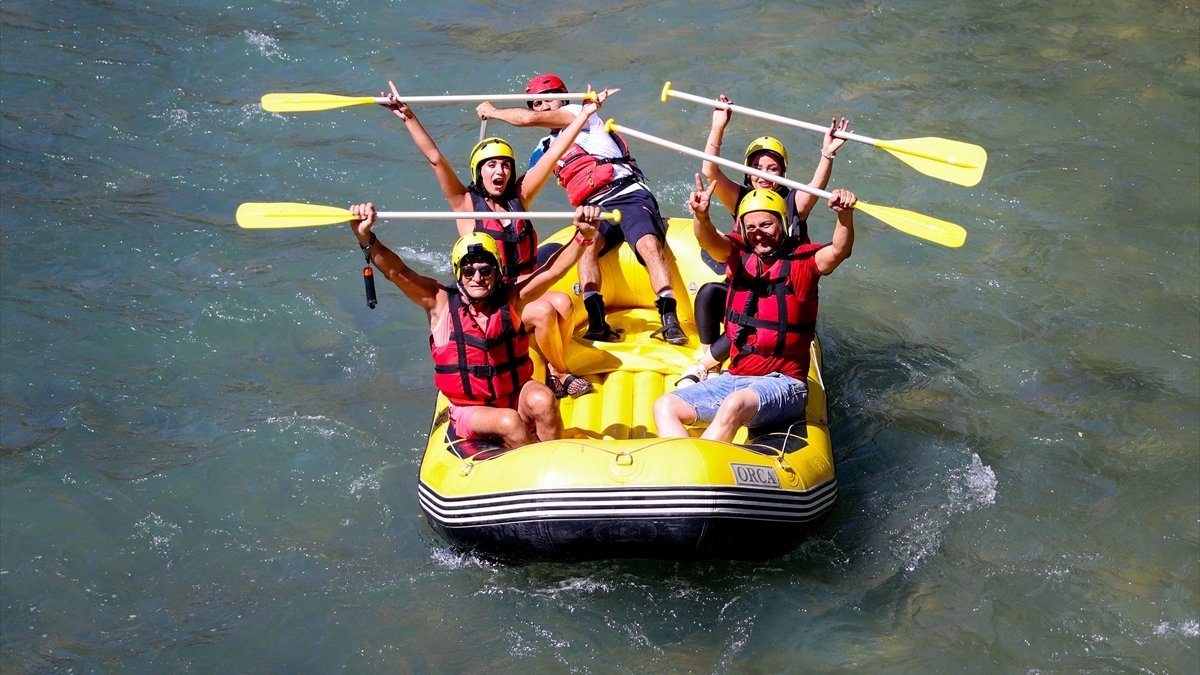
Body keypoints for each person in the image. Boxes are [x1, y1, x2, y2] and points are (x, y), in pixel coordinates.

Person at [378, 80, 605, 398]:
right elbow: (434, 159)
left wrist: (585, 113)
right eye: (491, 165)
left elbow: (555, 151)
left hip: (523, 292)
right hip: (493, 303)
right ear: (478, 171)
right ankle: (558, 373)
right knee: (543, 312)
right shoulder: (464, 203)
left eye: (505, 165)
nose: (499, 171)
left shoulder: (520, 196)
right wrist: (408, 116)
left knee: (564, 303)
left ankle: (551, 362)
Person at [349, 203, 602, 449]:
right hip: (469, 410)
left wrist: (584, 236)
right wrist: (366, 237)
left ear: (497, 271)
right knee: (510, 421)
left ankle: (551, 460)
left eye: (485, 270)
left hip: (515, 394)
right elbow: (398, 272)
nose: (477, 278)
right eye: (469, 271)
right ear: (459, 273)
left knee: (544, 399)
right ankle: (532, 473)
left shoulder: (512, 298)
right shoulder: (439, 303)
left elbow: (552, 271)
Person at [475, 73, 687, 347]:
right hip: (592, 207)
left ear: (562, 99)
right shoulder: (544, 148)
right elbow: (522, 189)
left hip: (627, 193)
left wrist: (493, 112)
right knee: (586, 246)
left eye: (547, 100)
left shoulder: (579, 114)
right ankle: (597, 320)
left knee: (647, 244)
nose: (542, 107)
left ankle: (669, 319)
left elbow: (527, 120)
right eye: (536, 104)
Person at [652, 176, 856, 443]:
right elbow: (710, 242)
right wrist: (701, 217)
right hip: (736, 377)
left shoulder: (803, 263)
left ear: (782, 223)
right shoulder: (738, 254)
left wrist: (845, 216)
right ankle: (687, 473)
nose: (758, 232)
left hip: (785, 384)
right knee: (664, 406)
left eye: (766, 224)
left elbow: (840, 250)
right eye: (751, 227)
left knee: (735, 405)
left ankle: (702, 470)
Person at [677, 94, 851, 387]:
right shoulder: (744, 200)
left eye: (773, 169)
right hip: (744, 283)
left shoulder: (794, 201)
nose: (764, 175)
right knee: (708, 294)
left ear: (783, 173)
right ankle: (709, 359)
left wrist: (827, 153)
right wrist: (718, 125)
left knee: (751, 317)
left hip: (783, 289)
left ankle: (706, 364)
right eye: (758, 168)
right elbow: (711, 171)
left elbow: (816, 186)